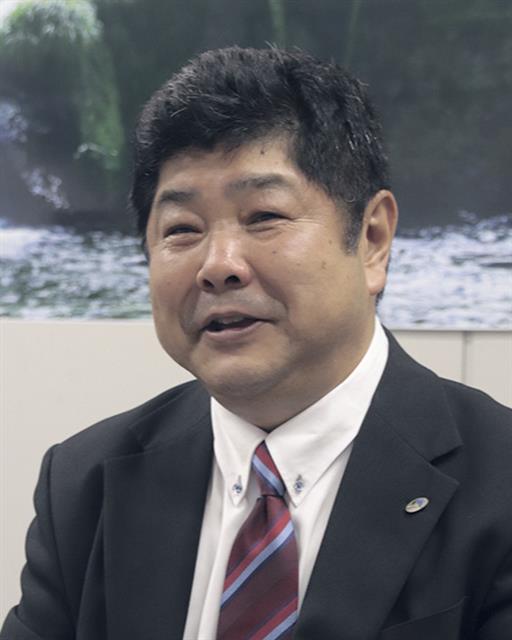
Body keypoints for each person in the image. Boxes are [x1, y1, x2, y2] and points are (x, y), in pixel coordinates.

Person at [2, 46, 511, 640]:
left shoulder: (499, 482)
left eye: (264, 216)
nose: (218, 266)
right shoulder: (85, 483)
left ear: (372, 239)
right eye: (182, 229)